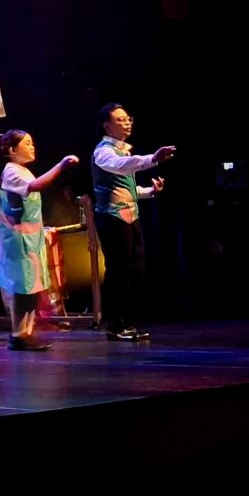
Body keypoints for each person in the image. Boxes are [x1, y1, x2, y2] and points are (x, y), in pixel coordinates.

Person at [0, 130, 77, 351]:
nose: (32, 147)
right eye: (27, 143)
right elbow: (35, 186)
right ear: (12, 150)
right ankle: (18, 334)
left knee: (32, 287)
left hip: (31, 236)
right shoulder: (11, 171)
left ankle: (27, 332)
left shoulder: (23, 170)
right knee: (21, 287)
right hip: (17, 239)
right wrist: (60, 166)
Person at [92, 104, 175, 341]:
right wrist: (152, 159)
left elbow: (126, 189)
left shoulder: (123, 152)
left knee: (136, 270)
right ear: (107, 126)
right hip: (112, 218)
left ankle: (127, 323)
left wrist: (150, 191)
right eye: (120, 120)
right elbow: (120, 167)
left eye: (128, 118)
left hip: (130, 217)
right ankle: (115, 325)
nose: (127, 122)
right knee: (119, 272)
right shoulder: (103, 151)